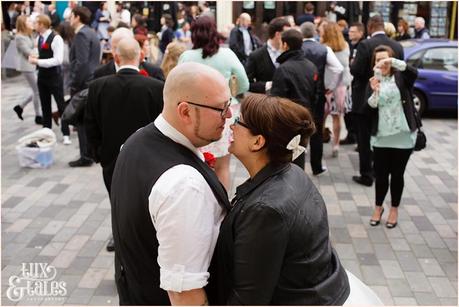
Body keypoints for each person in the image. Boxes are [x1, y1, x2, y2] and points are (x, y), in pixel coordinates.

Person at [110, 62, 232, 305]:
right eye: (221, 108)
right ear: (185, 111)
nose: (229, 115)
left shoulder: (134, 141)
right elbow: (184, 294)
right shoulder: (184, 186)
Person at [216, 93, 350, 304]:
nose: (231, 125)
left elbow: (249, 298)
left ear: (258, 142)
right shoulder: (293, 172)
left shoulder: (265, 210)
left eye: (238, 122)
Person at [85, 36, 164, 199]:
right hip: (147, 158)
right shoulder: (156, 88)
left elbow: (90, 125)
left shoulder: (98, 87)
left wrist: (99, 154)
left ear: (116, 57)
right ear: (141, 56)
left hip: (111, 158)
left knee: (117, 205)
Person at [179, 16, 249, 190]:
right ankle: (223, 206)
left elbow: (177, 85)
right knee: (222, 166)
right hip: (223, 112)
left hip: (195, 115)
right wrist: (231, 93)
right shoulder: (227, 54)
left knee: (194, 164)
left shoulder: (187, 57)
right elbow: (244, 83)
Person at [367, 45, 418, 228]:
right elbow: (370, 107)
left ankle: (394, 209)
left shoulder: (401, 77)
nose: (382, 64)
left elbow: (414, 72)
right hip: (381, 137)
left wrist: (393, 61)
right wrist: (375, 90)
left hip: (403, 137)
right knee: (381, 176)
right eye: (378, 60)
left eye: (385, 60)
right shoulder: (373, 80)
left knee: (397, 175)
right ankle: (378, 207)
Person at [350, 15, 404, 187]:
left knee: (364, 139)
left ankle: (366, 175)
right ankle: (379, 170)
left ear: (370, 26)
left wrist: (352, 64)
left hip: (365, 98)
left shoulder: (365, 45)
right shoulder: (397, 45)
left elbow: (356, 71)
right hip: (388, 98)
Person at [271, 29, 319, 171]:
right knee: (298, 160)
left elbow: (276, 101)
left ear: (285, 45)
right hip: (305, 120)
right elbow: (317, 95)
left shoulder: (284, 69)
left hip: (286, 123)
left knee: (284, 163)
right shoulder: (311, 66)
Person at [301, 21, 343, 175]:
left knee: (298, 129)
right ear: (315, 33)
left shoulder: (296, 48)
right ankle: (316, 167)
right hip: (318, 93)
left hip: (298, 94)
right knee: (316, 130)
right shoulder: (324, 49)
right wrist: (330, 87)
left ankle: (297, 167)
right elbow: (338, 68)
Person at [28, 14, 70, 144]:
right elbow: (37, 52)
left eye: (35, 23)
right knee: (45, 105)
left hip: (55, 76)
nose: (34, 25)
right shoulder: (38, 38)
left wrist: (38, 61)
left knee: (61, 105)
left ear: (42, 24)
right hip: (42, 76)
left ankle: (66, 133)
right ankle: (46, 132)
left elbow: (58, 60)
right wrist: (33, 56)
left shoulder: (56, 38)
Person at [68, 6, 101, 167]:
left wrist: (74, 82)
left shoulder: (82, 34)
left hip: (83, 82)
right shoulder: (91, 32)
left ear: (77, 17)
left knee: (81, 119)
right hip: (90, 80)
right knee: (86, 119)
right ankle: (88, 153)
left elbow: (81, 63)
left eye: (71, 16)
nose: (69, 19)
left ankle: (85, 155)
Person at [321, 22, 352, 157]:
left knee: (321, 117)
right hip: (341, 87)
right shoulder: (345, 46)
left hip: (327, 86)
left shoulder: (323, 48)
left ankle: (320, 139)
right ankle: (336, 145)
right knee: (337, 117)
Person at [94, 28, 164, 81]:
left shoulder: (153, 72)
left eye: (125, 47)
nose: (120, 52)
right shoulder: (100, 73)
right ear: (111, 49)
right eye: (116, 48)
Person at [245, 17, 291, 93]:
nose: (290, 37)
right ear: (278, 35)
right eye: (287, 34)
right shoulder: (256, 55)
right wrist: (267, 85)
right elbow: (247, 84)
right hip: (265, 101)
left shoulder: (290, 53)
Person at [13, 15, 43, 125]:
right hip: (27, 67)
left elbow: (35, 49)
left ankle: (20, 107)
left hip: (32, 65)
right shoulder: (19, 37)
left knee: (37, 90)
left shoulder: (29, 34)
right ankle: (38, 116)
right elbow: (29, 53)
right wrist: (36, 47)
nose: (31, 22)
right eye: (29, 21)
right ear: (23, 23)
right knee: (37, 91)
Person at [341, 21, 365, 146]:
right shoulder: (349, 45)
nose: (349, 33)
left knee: (354, 112)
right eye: (349, 31)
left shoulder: (362, 46)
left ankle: (356, 136)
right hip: (348, 82)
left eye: (353, 31)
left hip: (357, 84)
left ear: (360, 33)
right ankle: (351, 134)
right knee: (348, 111)